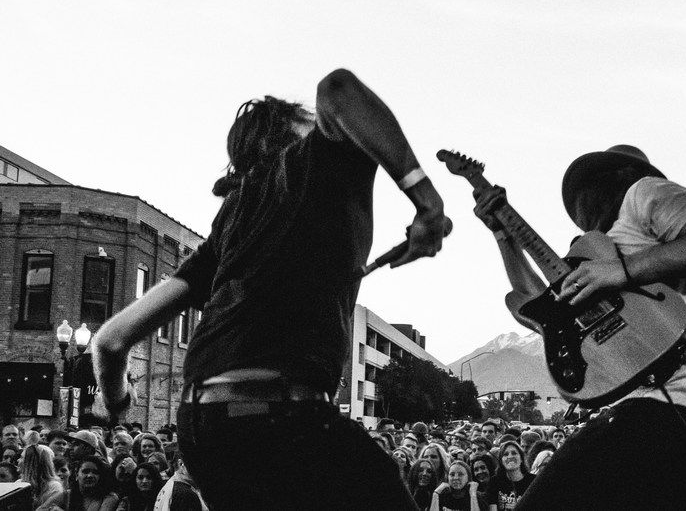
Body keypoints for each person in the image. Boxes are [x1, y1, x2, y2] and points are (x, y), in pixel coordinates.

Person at [90, 69, 448, 510]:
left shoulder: (228, 227)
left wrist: (117, 403)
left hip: (204, 429)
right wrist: (427, 202)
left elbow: (110, 341)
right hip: (282, 415)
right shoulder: (313, 164)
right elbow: (338, 89)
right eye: (312, 124)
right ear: (293, 132)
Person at [473, 144, 686, 509]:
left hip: (670, 416)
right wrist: (502, 234)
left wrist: (621, 271)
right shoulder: (595, 253)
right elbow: (536, 303)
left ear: (616, 176)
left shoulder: (643, 194)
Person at [38, 456, 120, 511]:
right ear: (77, 475)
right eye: (85, 471)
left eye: (95, 472)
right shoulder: (67, 495)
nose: (90, 475)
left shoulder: (109, 498)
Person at [485, 441, 534, 511]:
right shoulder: (494, 482)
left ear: (521, 459)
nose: (510, 457)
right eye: (505, 454)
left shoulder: (533, 480)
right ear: (501, 461)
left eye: (514, 453)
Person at [20, 444, 64, 509]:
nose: (18, 460)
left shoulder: (54, 487)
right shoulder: (19, 484)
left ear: (31, 463)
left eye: (21, 458)